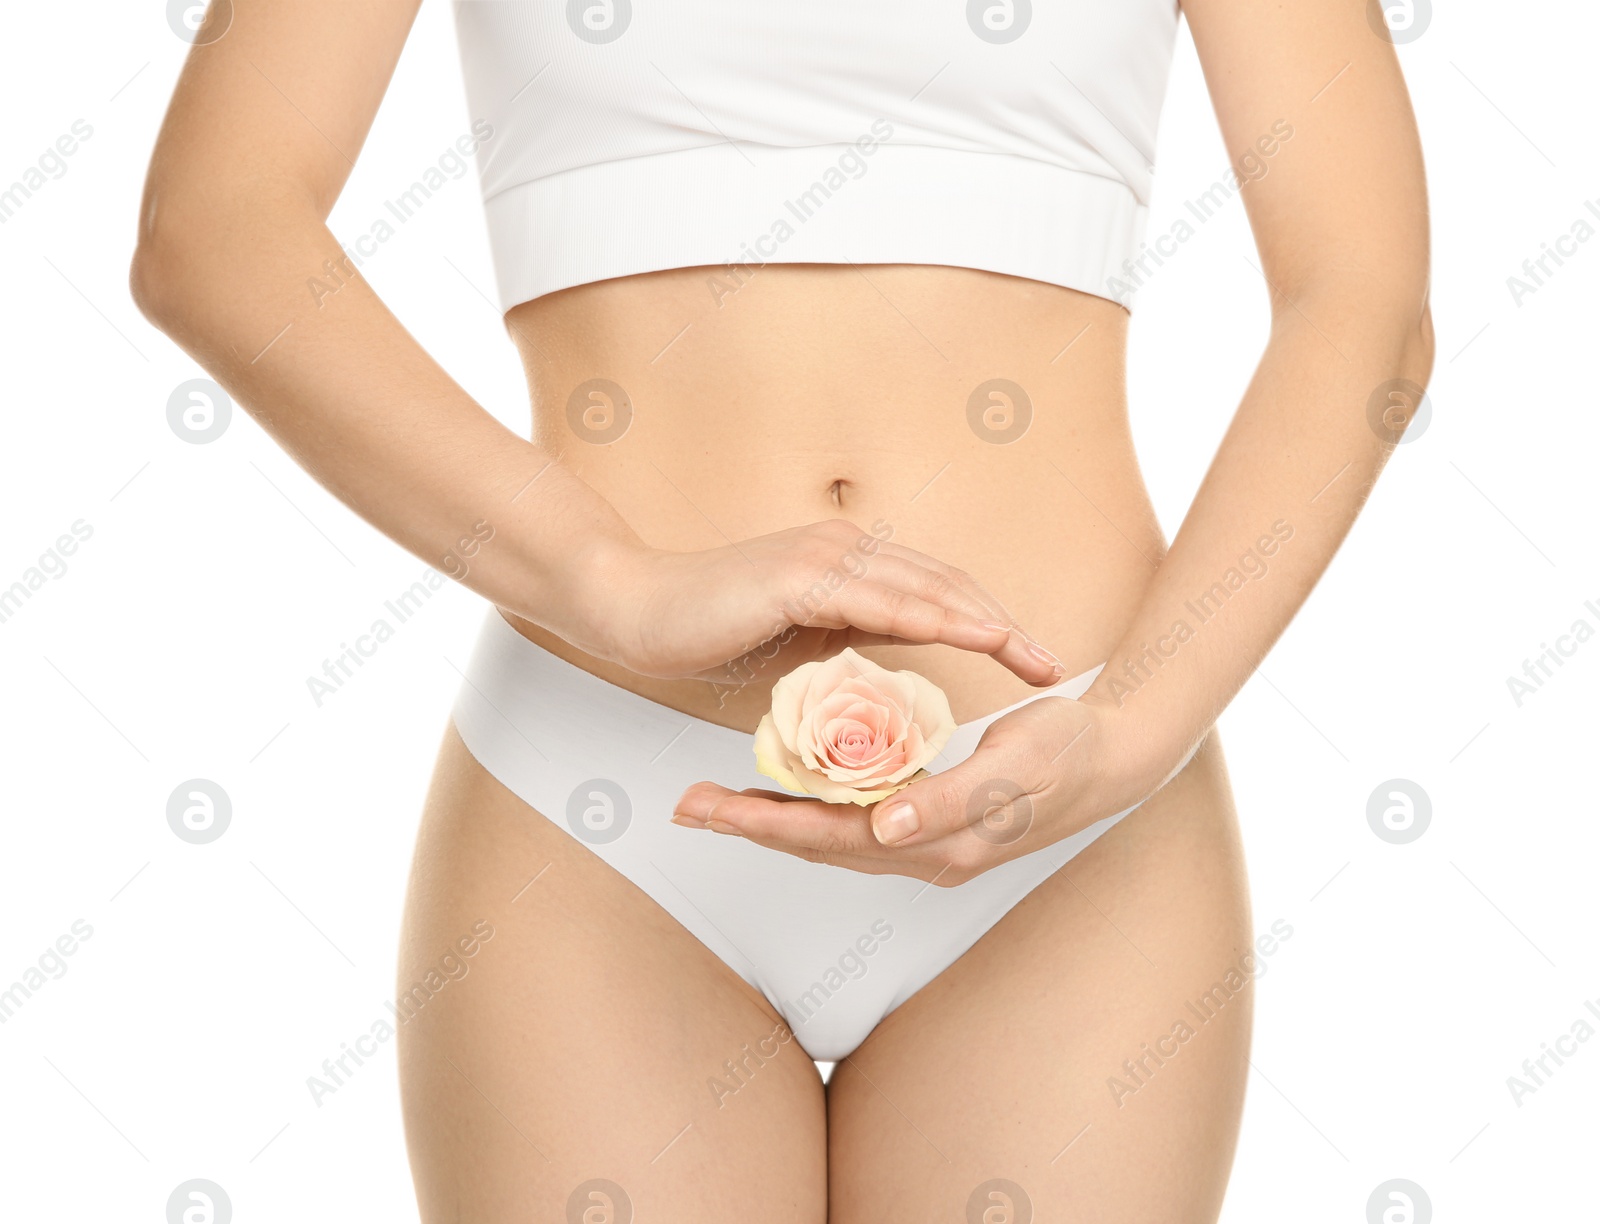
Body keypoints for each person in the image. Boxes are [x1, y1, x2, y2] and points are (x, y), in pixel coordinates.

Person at [131, 0, 1432, 1218]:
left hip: (1072, 796)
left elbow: (1362, 298)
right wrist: (609, 580)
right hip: (600, 810)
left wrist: (1130, 734)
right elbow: (217, 226)